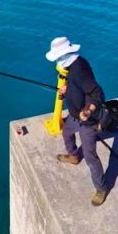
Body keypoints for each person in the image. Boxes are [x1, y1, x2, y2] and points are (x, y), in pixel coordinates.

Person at [45, 36, 107, 206]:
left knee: (90, 156)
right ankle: (73, 156)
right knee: (66, 132)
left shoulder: (79, 70)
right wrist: (67, 89)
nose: (56, 61)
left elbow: (98, 94)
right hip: (74, 114)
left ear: (63, 56)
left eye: (57, 58)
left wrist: (87, 112)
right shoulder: (74, 67)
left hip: (87, 120)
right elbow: (77, 85)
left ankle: (101, 188)